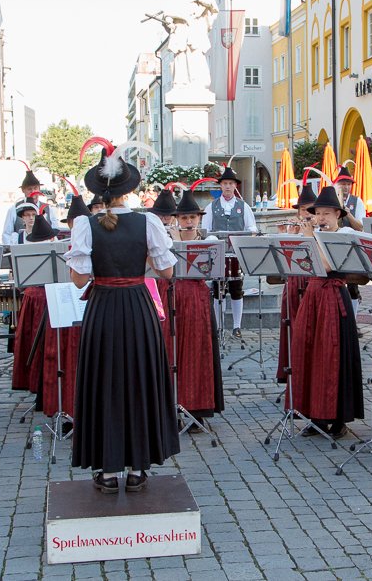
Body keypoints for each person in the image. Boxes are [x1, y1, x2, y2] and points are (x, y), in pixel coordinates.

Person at [65, 143, 180, 494]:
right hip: (137, 308)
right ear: (129, 188)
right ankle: (137, 467)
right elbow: (168, 273)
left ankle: (107, 468)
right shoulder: (148, 222)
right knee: (139, 379)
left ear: (98, 191)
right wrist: (141, 260)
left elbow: (79, 279)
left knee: (104, 381)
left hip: (102, 310)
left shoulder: (85, 224)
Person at [288, 186, 364, 439]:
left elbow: (329, 265)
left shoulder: (344, 234)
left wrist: (310, 238)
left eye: (327, 214)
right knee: (310, 353)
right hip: (313, 296)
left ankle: (338, 418)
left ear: (338, 215)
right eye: (318, 213)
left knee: (333, 356)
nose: (321, 219)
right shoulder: (313, 233)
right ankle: (316, 415)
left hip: (333, 296)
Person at [161, 190, 224, 431]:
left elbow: (212, 271)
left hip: (197, 298)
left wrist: (183, 243)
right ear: (177, 219)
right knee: (172, 351)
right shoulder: (167, 240)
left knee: (198, 350)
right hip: (173, 296)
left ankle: (197, 407)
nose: (188, 222)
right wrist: (173, 242)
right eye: (184, 218)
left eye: (192, 218)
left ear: (199, 219)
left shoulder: (209, 242)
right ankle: (171, 406)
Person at [42, 196, 91, 421]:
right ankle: (67, 408)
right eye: (72, 222)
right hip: (65, 304)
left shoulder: (92, 243)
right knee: (65, 362)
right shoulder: (63, 247)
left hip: (86, 305)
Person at [202, 166, 257, 338]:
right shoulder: (212, 207)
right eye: (225, 183)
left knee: (236, 287)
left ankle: (236, 326)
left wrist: (246, 237)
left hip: (235, 253)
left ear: (235, 186)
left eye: (230, 183)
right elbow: (205, 229)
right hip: (219, 253)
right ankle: (219, 326)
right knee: (218, 289)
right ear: (221, 186)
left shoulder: (243, 206)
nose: (227, 186)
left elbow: (252, 227)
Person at [11, 214, 59, 397]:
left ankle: (48, 383)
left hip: (47, 296)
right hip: (38, 298)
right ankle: (38, 383)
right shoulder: (29, 252)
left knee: (48, 343)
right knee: (36, 342)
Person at [274, 184, 316, 385]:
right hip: (294, 283)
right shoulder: (293, 229)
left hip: (313, 284)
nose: (306, 214)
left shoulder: (321, 229)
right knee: (291, 327)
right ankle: (292, 373)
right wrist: (284, 235)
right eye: (303, 210)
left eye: (310, 209)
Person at [334, 165, 366, 321]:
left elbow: (361, 227)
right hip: (333, 248)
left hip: (351, 248)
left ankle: (352, 320)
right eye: (342, 183)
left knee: (352, 285)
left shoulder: (357, 201)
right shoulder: (331, 199)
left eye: (348, 184)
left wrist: (347, 213)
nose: (345, 187)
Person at [2, 167, 59, 244]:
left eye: (35, 188)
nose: (33, 191)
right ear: (23, 190)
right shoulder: (14, 210)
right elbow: (7, 234)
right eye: (29, 189)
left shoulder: (48, 208)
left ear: (39, 189)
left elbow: (55, 230)